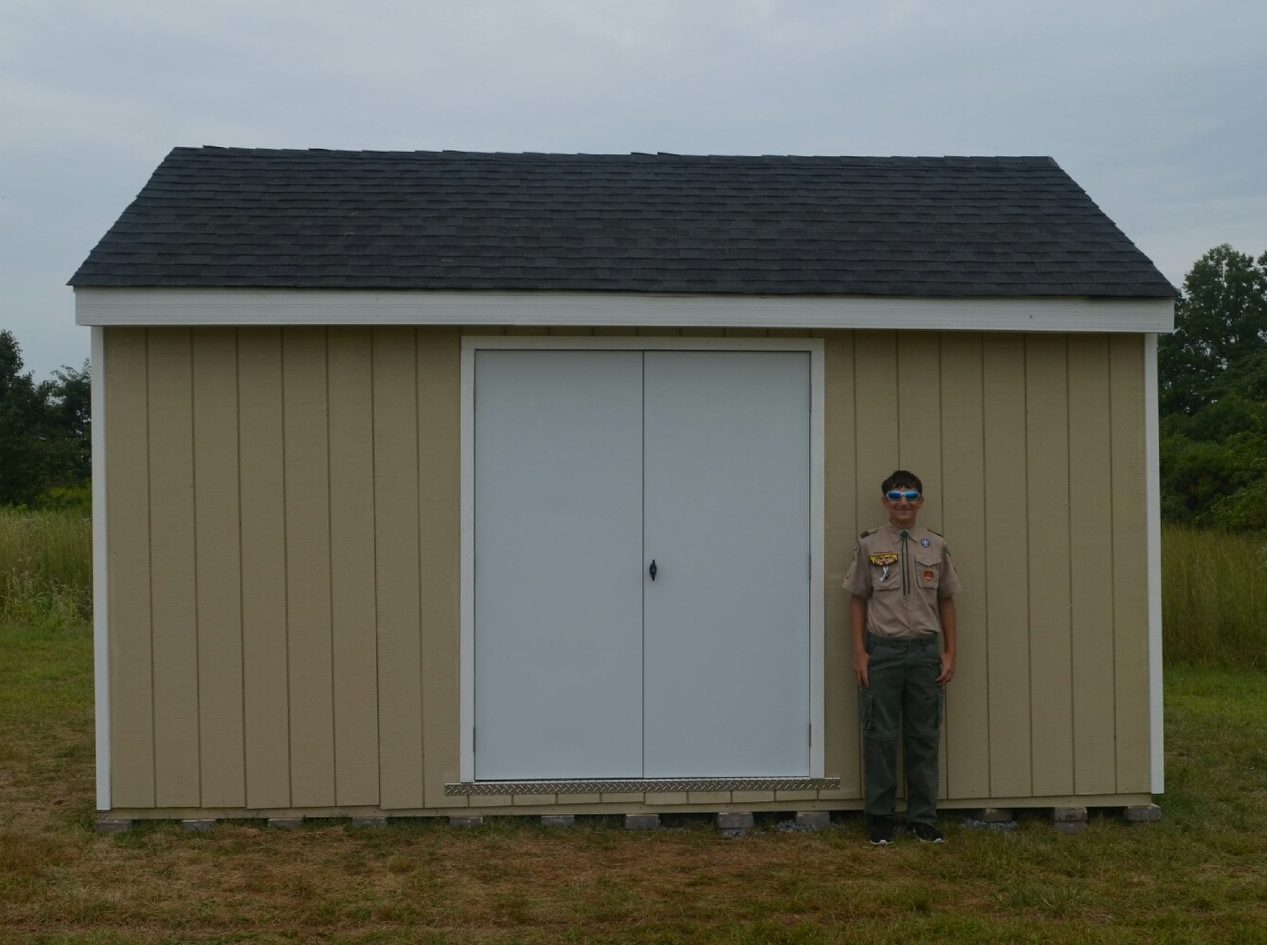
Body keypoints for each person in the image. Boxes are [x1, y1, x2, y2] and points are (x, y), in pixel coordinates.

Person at [842, 470, 960, 845]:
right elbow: (858, 598)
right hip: (883, 653)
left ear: (921, 501)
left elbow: (946, 599)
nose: (903, 503)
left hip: (925, 654)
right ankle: (880, 819)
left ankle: (923, 818)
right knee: (880, 737)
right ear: (885, 502)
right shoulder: (869, 545)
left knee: (924, 737)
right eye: (895, 496)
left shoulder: (935, 545)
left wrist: (950, 651)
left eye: (910, 496)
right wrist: (860, 652)